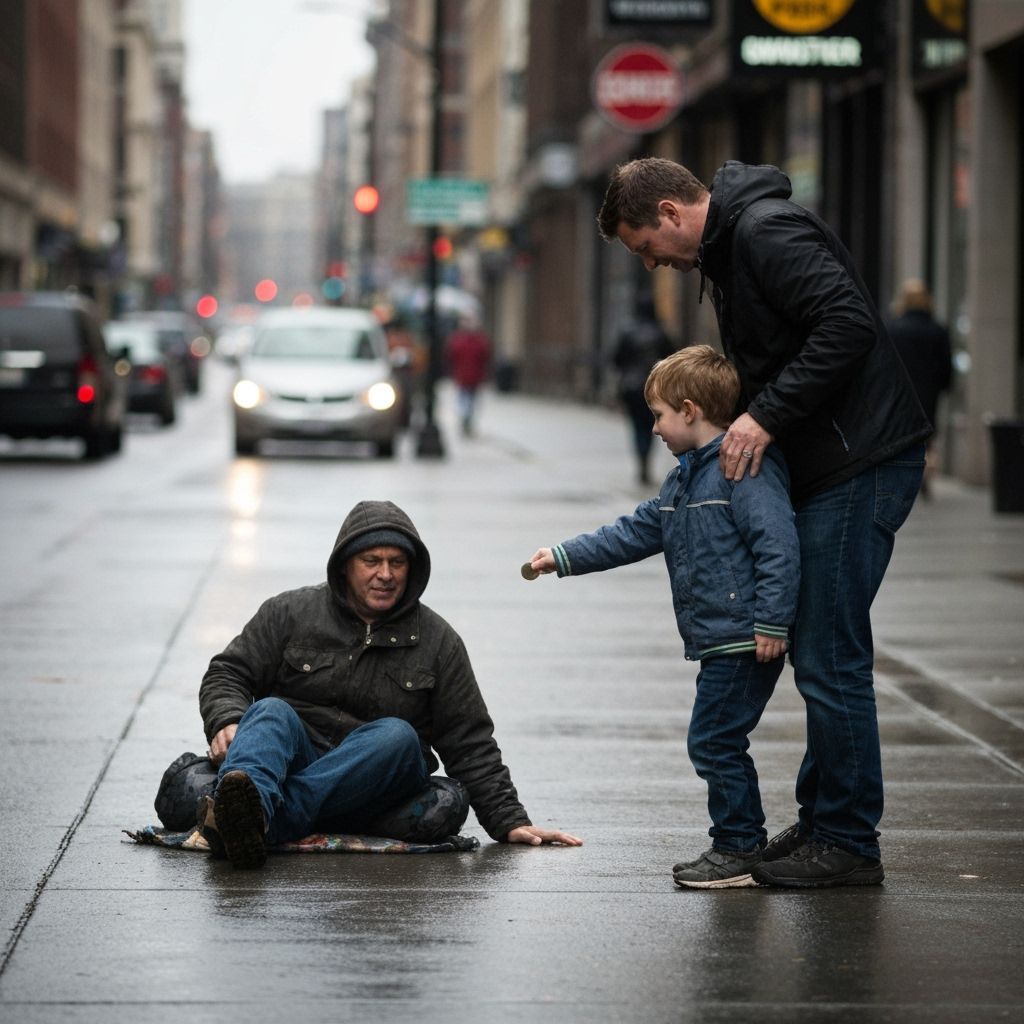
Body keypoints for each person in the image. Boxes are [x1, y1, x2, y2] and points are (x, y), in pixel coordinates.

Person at [598, 158, 931, 888]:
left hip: (861, 461)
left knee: (829, 657)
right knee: (822, 649)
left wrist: (764, 416)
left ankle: (847, 841)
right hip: (831, 464)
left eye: (646, 245)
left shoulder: (765, 231)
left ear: (670, 212)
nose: (652, 261)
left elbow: (847, 325)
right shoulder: (733, 244)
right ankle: (823, 823)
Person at [527, 346, 800, 889]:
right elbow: (633, 532)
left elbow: (779, 547)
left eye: (659, 415)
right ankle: (738, 841)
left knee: (714, 740)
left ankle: (738, 847)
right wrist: (563, 557)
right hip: (720, 637)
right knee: (717, 738)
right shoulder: (684, 480)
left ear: (691, 410)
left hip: (743, 638)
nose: (653, 427)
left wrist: (772, 622)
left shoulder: (740, 471)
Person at [198, 498, 582, 868]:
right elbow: (227, 672)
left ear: (411, 570)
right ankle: (255, 810)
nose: (385, 574)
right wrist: (227, 718)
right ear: (346, 566)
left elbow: (470, 741)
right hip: (295, 758)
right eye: (372, 561)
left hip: (376, 777)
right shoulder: (289, 612)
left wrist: (509, 819)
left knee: (399, 737)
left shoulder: (439, 641)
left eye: (396, 563)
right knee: (269, 711)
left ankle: (255, 822)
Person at [886, 279, 954, 499]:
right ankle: (926, 470)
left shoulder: (894, 329)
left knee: (903, 434)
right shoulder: (938, 330)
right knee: (927, 435)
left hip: (901, 392)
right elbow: (946, 366)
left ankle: (907, 475)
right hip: (929, 391)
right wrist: (943, 386)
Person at [612, 294, 674, 484]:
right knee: (651, 426)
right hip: (654, 388)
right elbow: (673, 360)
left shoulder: (628, 332)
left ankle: (641, 462)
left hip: (631, 387)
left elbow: (616, 359)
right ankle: (646, 461)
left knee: (637, 426)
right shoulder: (660, 333)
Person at [445, 314, 491, 436]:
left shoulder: (476, 341)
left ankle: (466, 421)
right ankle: (466, 421)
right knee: (466, 400)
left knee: (469, 401)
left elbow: (485, 357)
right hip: (465, 376)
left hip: (471, 377)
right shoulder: (463, 340)